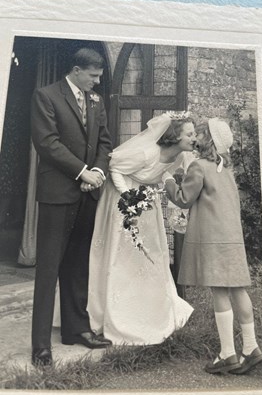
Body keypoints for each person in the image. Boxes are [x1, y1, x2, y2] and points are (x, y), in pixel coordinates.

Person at [163, 118, 262, 374]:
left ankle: (228, 353)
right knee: (238, 289)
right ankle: (251, 347)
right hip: (231, 237)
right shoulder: (227, 169)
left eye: (199, 133)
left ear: (206, 139)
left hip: (212, 238)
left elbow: (184, 198)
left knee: (219, 292)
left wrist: (168, 180)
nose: (195, 137)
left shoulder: (199, 166)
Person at [31, 48, 113, 366]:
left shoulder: (97, 101)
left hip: (87, 193)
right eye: (92, 76)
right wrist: (82, 172)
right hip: (57, 193)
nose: (97, 82)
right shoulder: (46, 96)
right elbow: (47, 142)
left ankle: (76, 329)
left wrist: (98, 173)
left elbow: (104, 141)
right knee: (48, 269)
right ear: (77, 70)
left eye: (99, 76)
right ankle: (40, 345)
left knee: (78, 264)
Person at [87, 112, 195, 345]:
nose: (194, 138)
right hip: (122, 199)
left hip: (147, 201)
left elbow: (162, 173)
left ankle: (150, 309)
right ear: (176, 137)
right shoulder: (146, 152)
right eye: (189, 134)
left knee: (150, 255)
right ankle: (113, 312)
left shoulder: (178, 156)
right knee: (122, 255)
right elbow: (114, 167)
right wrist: (128, 197)